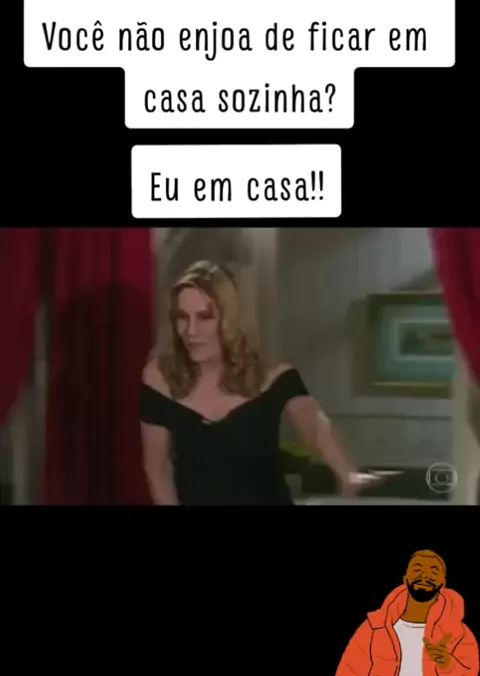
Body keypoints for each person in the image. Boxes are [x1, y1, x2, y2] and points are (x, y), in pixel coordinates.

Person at [139, 260, 374, 506]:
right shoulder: (159, 378)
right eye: (182, 317)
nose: (191, 330)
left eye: (205, 317)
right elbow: (157, 469)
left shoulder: (273, 375)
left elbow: (313, 424)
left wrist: (346, 472)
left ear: (230, 318)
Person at [336, 549, 479, 675]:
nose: (425, 575)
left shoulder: (459, 633)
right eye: (417, 569)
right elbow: (350, 670)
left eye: (434, 571)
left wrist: (448, 666)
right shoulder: (375, 626)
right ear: (405, 579)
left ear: (443, 584)